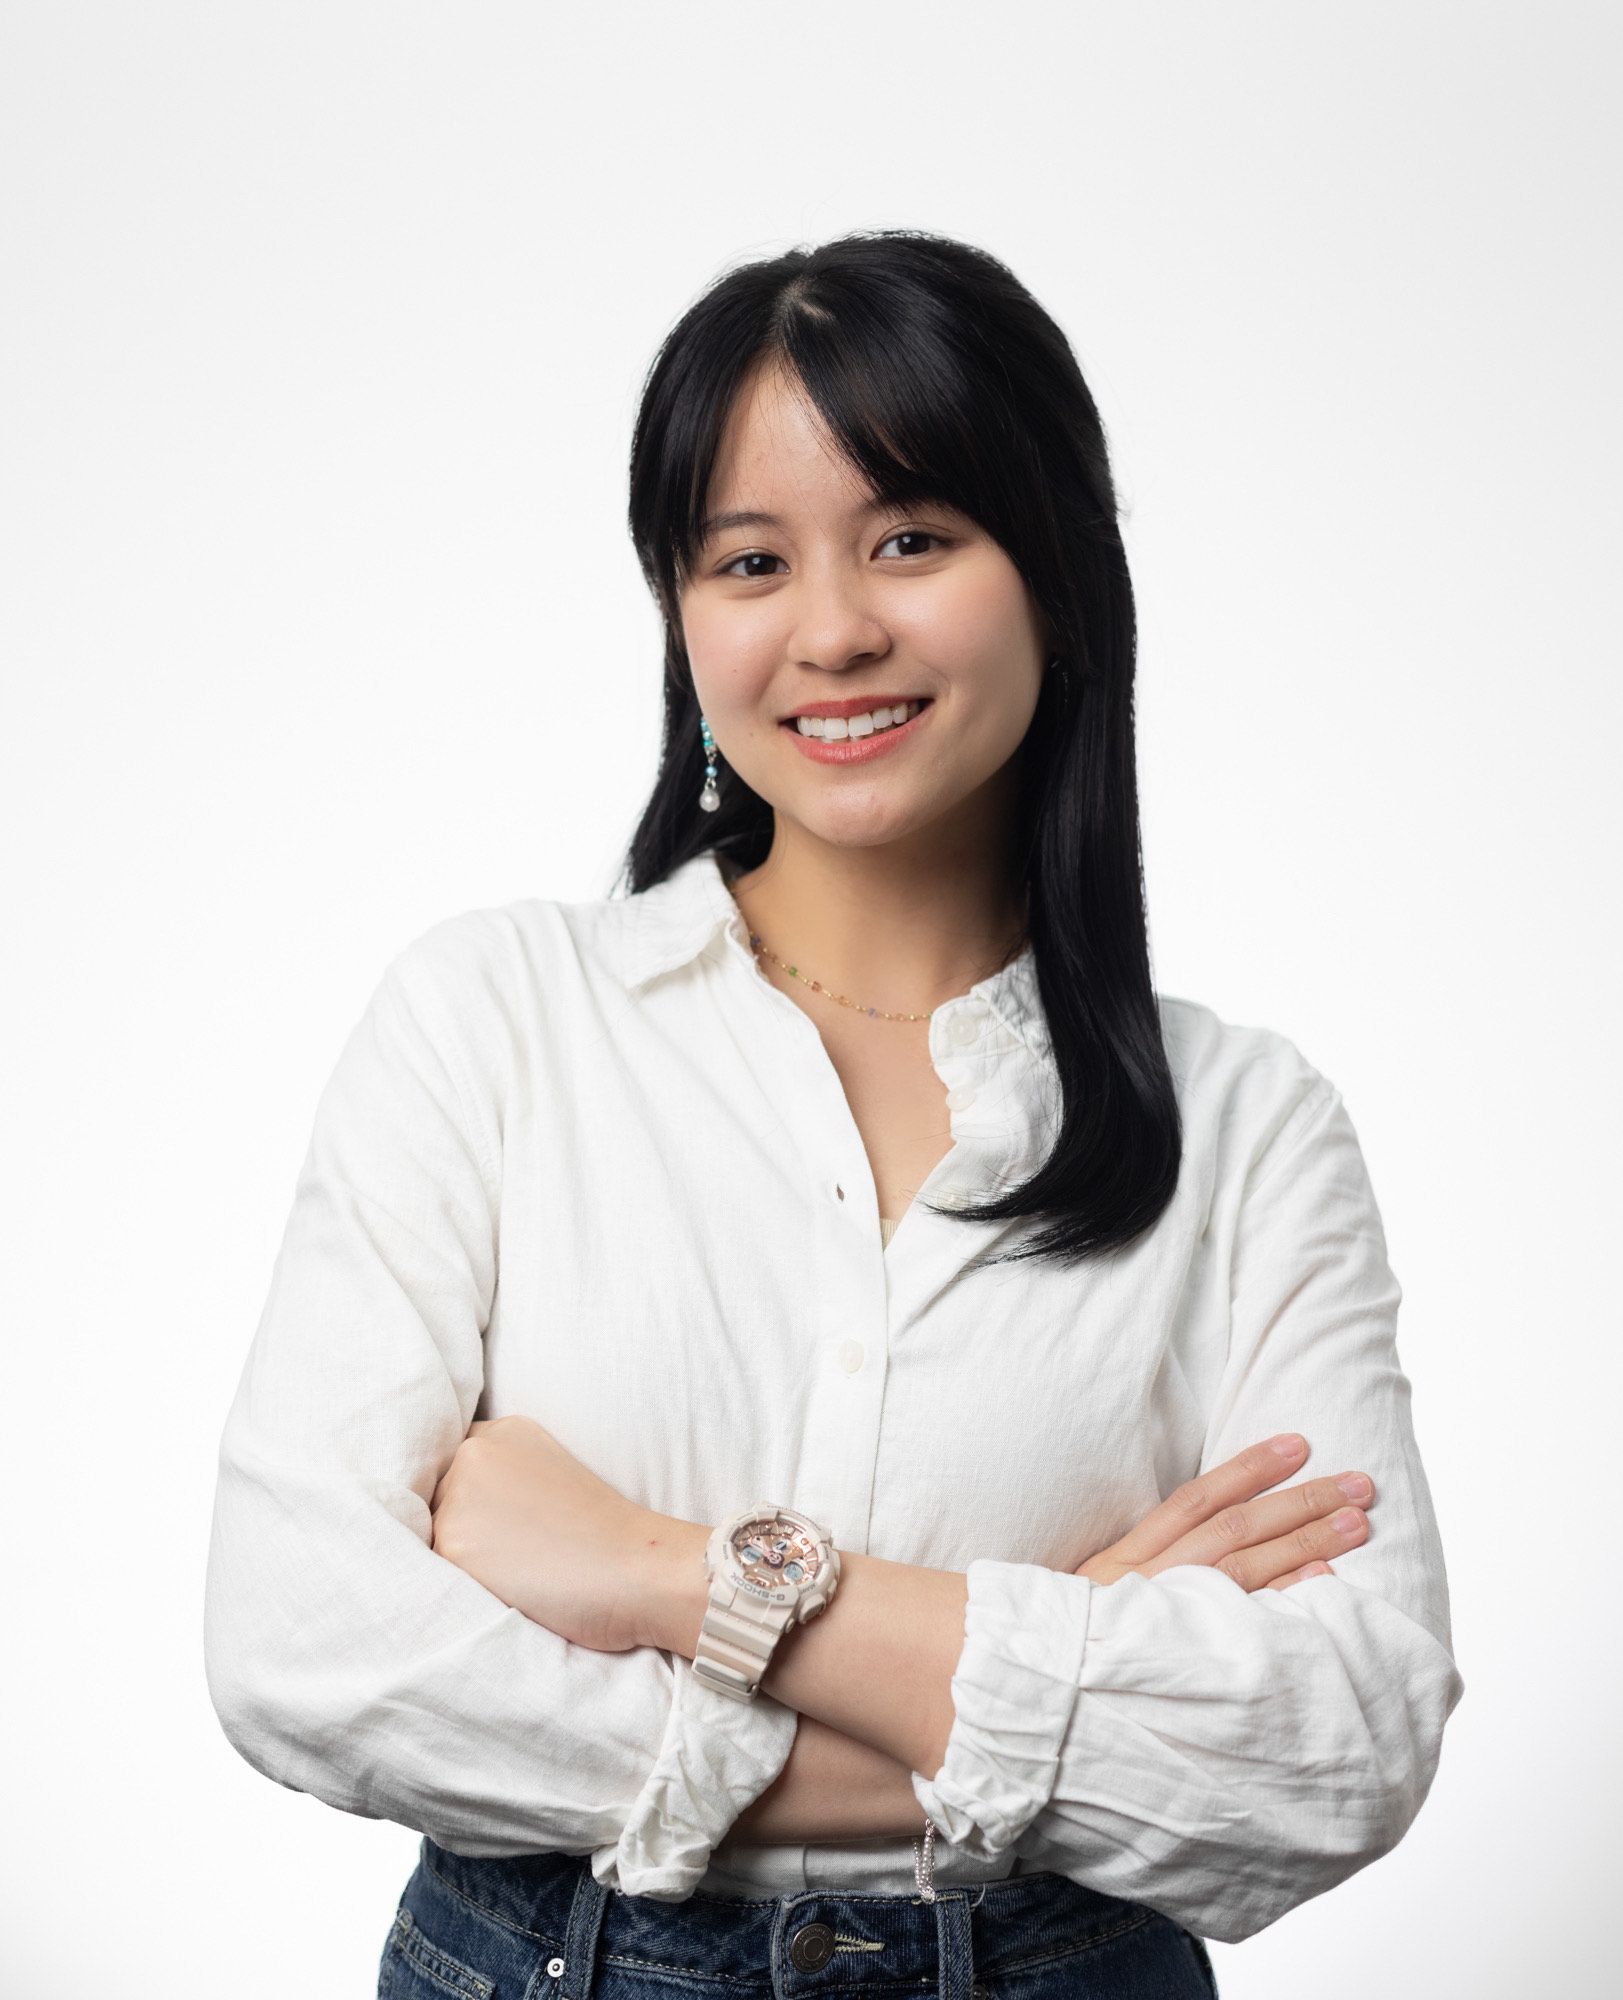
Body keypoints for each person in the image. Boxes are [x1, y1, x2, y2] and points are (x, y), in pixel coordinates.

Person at [203, 230, 1464, 2000]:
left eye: (911, 539)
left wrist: (653, 1572)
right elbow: (298, 1641)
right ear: (680, 616)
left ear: (1059, 576)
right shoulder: (494, 1021)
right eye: (748, 559)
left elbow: (1341, 1738)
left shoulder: (1248, 1132)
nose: (834, 628)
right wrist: (1051, 1672)